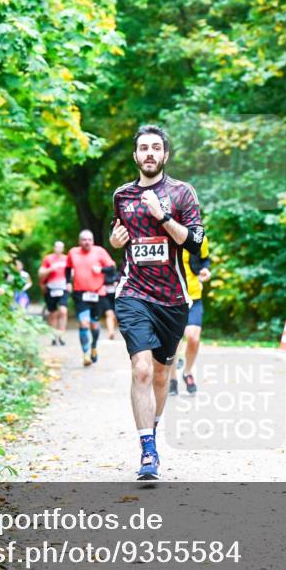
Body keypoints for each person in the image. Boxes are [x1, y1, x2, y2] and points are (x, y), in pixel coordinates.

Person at [109, 124, 205, 480]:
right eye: (143, 148)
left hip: (173, 298)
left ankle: (153, 428)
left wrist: (163, 217)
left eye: (156, 148)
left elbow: (194, 242)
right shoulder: (122, 195)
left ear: (165, 155)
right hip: (133, 292)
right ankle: (148, 450)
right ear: (135, 155)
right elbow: (119, 236)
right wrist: (115, 241)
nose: (149, 154)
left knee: (162, 376)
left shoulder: (182, 193)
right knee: (142, 369)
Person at [168, 236, 211, 395]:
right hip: (172, 297)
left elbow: (205, 259)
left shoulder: (199, 237)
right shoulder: (166, 234)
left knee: (193, 338)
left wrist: (205, 270)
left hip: (193, 295)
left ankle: (187, 372)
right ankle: (172, 378)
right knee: (174, 341)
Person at [65, 230, 115, 367]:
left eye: (89, 239)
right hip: (80, 294)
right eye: (84, 240)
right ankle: (85, 354)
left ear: (92, 241)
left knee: (94, 325)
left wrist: (101, 270)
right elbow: (68, 268)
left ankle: (93, 346)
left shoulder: (100, 251)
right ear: (79, 241)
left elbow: (112, 268)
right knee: (84, 323)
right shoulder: (73, 252)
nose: (87, 242)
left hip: (97, 293)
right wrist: (68, 282)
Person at [39, 241, 69, 346]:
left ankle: (61, 335)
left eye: (61, 247)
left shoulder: (66, 259)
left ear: (63, 248)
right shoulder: (48, 259)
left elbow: (71, 272)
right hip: (51, 288)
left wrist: (70, 282)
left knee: (63, 311)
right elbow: (41, 273)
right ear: (54, 248)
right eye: (57, 247)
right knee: (53, 314)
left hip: (63, 287)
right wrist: (49, 270)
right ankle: (53, 337)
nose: (59, 249)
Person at [101, 264, 120, 339]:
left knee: (114, 316)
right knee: (109, 314)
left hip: (115, 297)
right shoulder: (102, 275)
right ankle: (111, 332)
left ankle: (112, 330)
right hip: (105, 297)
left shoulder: (118, 275)